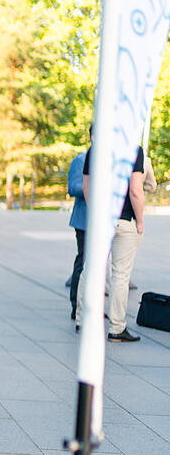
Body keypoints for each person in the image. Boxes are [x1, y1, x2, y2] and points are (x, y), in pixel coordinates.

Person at [76, 142, 145, 342]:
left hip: (101, 221)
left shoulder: (96, 148)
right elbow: (135, 190)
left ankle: (83, 321)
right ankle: (116, 328)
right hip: (124, 220)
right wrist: (140, 221)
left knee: (90, 270)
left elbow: (87, 186)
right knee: (121, 275)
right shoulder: (133, 149)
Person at [67, 142, 88, 321]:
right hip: (84, 221)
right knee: (83, 262)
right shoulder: (80, 160)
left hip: (106, 222)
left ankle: (91, 306)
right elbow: (72, 188)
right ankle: (76, 306)